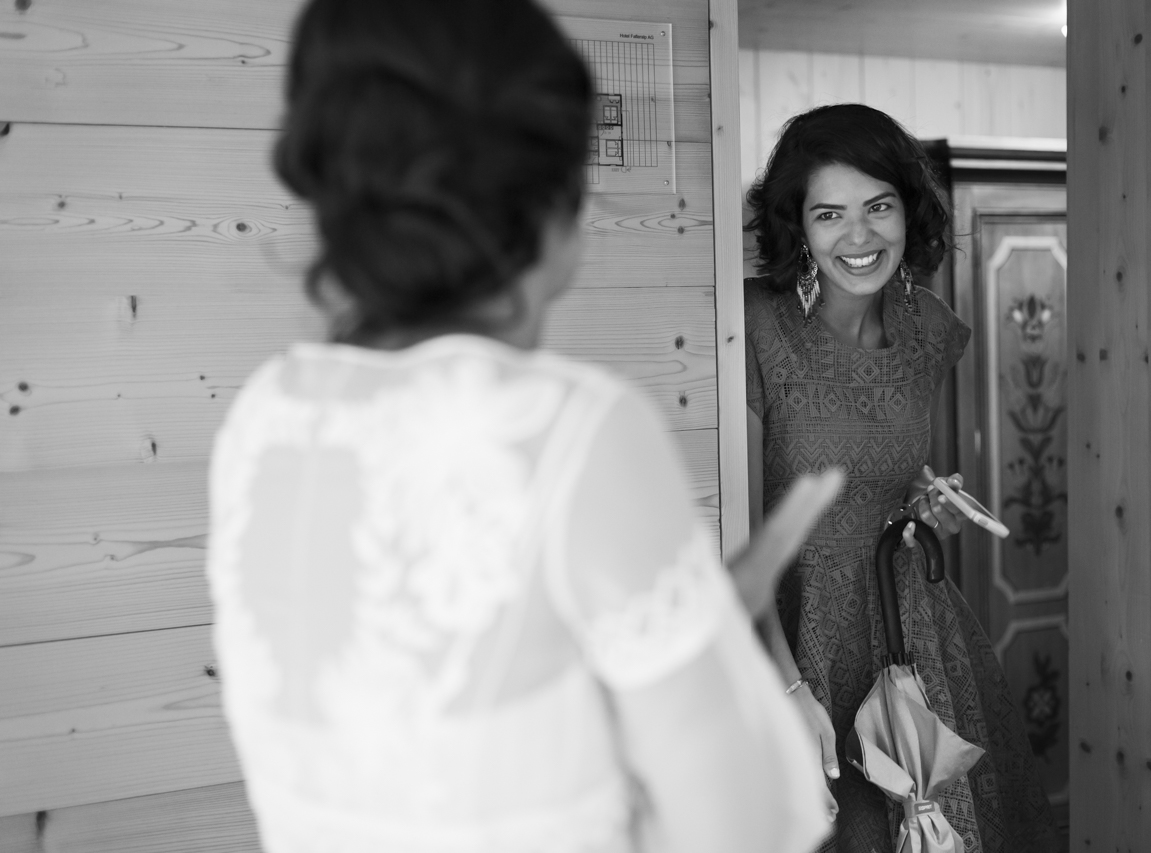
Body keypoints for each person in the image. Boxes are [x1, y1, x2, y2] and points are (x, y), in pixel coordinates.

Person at [203, 2, 837, 852]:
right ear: (553, 205)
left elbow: (452, 749)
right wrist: (716, 653)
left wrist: (675, 630)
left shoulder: (265, 418)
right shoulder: (574, 428)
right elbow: (737, 830)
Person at [743, 104, 1063, 853]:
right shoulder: (750, 326)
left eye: (878, 207)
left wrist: (920, 497)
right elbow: (737, 532)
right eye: (829, 214)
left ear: (908, 211)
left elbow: (874, 459)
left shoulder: (928, 329)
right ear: (799, 226)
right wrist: (786, 686)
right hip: (788, 632)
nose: (858, 237)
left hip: (907, 629)